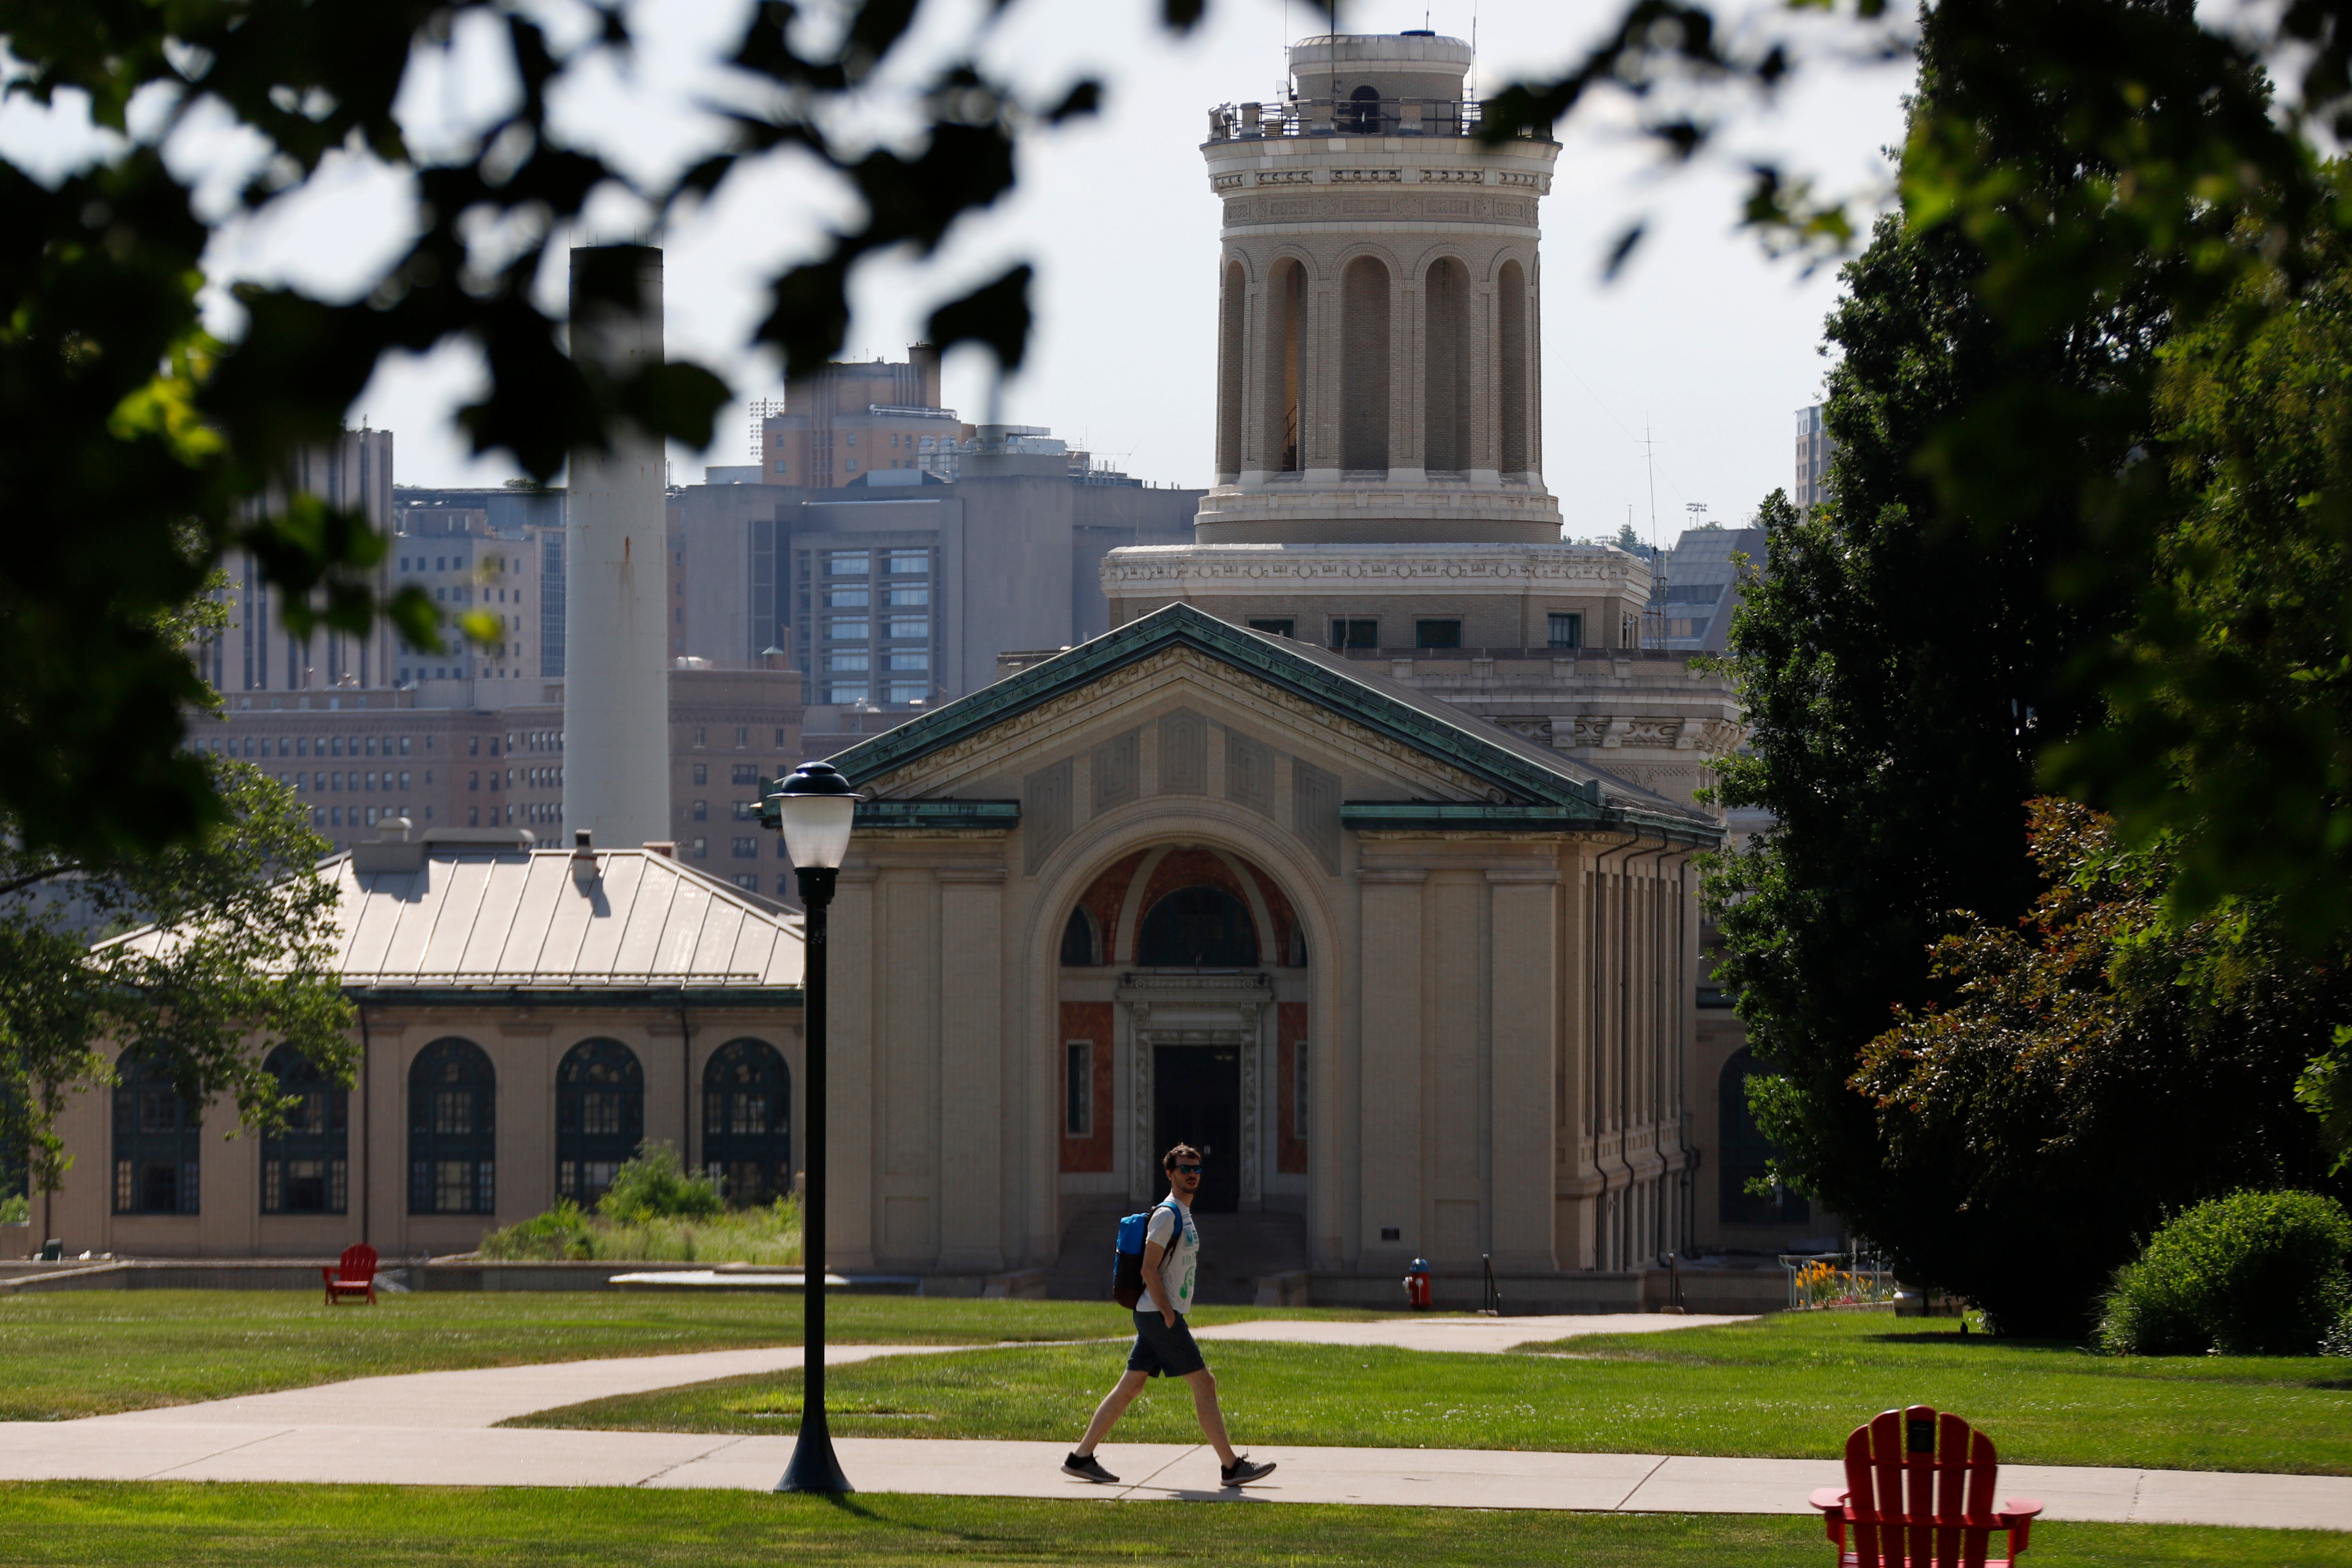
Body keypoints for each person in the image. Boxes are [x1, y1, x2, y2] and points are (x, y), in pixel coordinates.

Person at [1061, 1143, 1276, 1487]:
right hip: (1159, 1315)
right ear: (1170, 1174)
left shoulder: (1183, 1213)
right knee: (1205, 1383)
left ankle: (1080, 1458)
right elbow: (1148, 1269)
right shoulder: (1167, 1214)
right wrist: (1169, 1316)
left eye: (1196, 1169)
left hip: (1156, 1315)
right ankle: (1231, 1466)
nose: (1191, 1175)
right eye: (1184, 1169)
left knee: (1131, 1385)